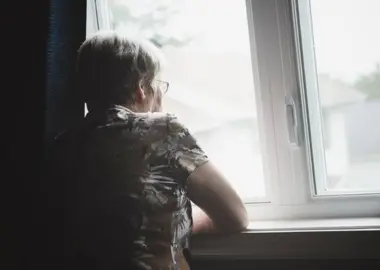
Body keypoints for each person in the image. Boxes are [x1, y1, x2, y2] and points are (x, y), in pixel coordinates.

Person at [50, 31, 248, 270]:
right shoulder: (164, 131)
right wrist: (176, 225)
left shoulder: (61, 146)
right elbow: (234, 216)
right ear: (141, 88)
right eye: (158, 85)